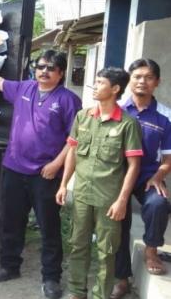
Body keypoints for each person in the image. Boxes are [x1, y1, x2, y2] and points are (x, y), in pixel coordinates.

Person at [0, 50, 81, 298]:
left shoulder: (68, 100)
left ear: (60, 73)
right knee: (11, 221)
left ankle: (50, 278)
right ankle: (9, 266)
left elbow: (75, 139)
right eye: (41, 66)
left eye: (50, 68)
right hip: (14, 167)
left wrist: (57, 165)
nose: (44, 71)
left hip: (45, 174)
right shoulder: (25, 89)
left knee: (49, 227)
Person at [56, 67, 143, 299]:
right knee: (77, 244)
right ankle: (77, 291)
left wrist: (123, 200)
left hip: (109, 199)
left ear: (115, 89)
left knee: (107, 251)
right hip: (82, 195)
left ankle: (100, 295)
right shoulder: (82, 117)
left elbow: (133, 165)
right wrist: (64, 184)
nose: (95, 86)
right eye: (95, 82)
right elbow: (72, 152)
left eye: (100, 82)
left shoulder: (127, 124)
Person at [110, 59, 171, 299]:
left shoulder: (166, 116)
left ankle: (151, 250)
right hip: (117, 176)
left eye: (147, 77)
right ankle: (121, 279)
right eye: (137, 77)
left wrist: (159, 175)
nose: (141, 82)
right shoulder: (117, 110)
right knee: (117, 222)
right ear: (129, 81)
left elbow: (168, 158)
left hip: (148, 176)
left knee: (158, 203)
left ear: (157, 82)